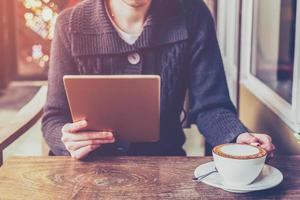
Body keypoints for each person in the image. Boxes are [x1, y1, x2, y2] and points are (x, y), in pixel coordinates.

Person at [42, 0, 275, 159]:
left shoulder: (192, 15)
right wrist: (66, 140)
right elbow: (54, 117)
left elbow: (211, 106)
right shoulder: (69, 24)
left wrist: (237, 137)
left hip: (163, 165)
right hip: (87, 169)